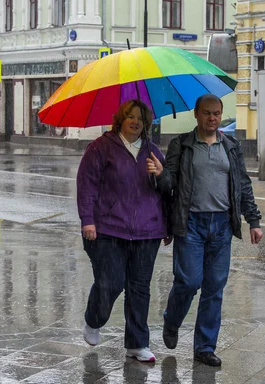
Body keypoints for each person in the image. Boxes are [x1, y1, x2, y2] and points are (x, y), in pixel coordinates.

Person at [146, 94, 263, 367]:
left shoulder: (231, 147)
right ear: (196, 115)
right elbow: (169, 184)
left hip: (221, 226)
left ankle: (205, 347)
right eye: (207, 113)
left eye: (217, 113)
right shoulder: (182, 145)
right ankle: (172, 320)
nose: (212, 118)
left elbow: (243, 185)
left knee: (214, 288)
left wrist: (254, 221)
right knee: (188, 282)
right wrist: (161, 172)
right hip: (191, 224)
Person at [76, 99, 168, 363]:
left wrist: (160, 174)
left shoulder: (153, 152)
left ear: (146, 122)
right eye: (129, 116)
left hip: (146, 231)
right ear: (120, 119)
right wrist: (87, 220)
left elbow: (167, 190)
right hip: (108, 229)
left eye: (139, 117)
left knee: (139, 288)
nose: (135, 121)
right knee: (110, 283)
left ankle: (137, 344)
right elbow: (86, 186)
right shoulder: (100, 148)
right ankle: (94, 319)